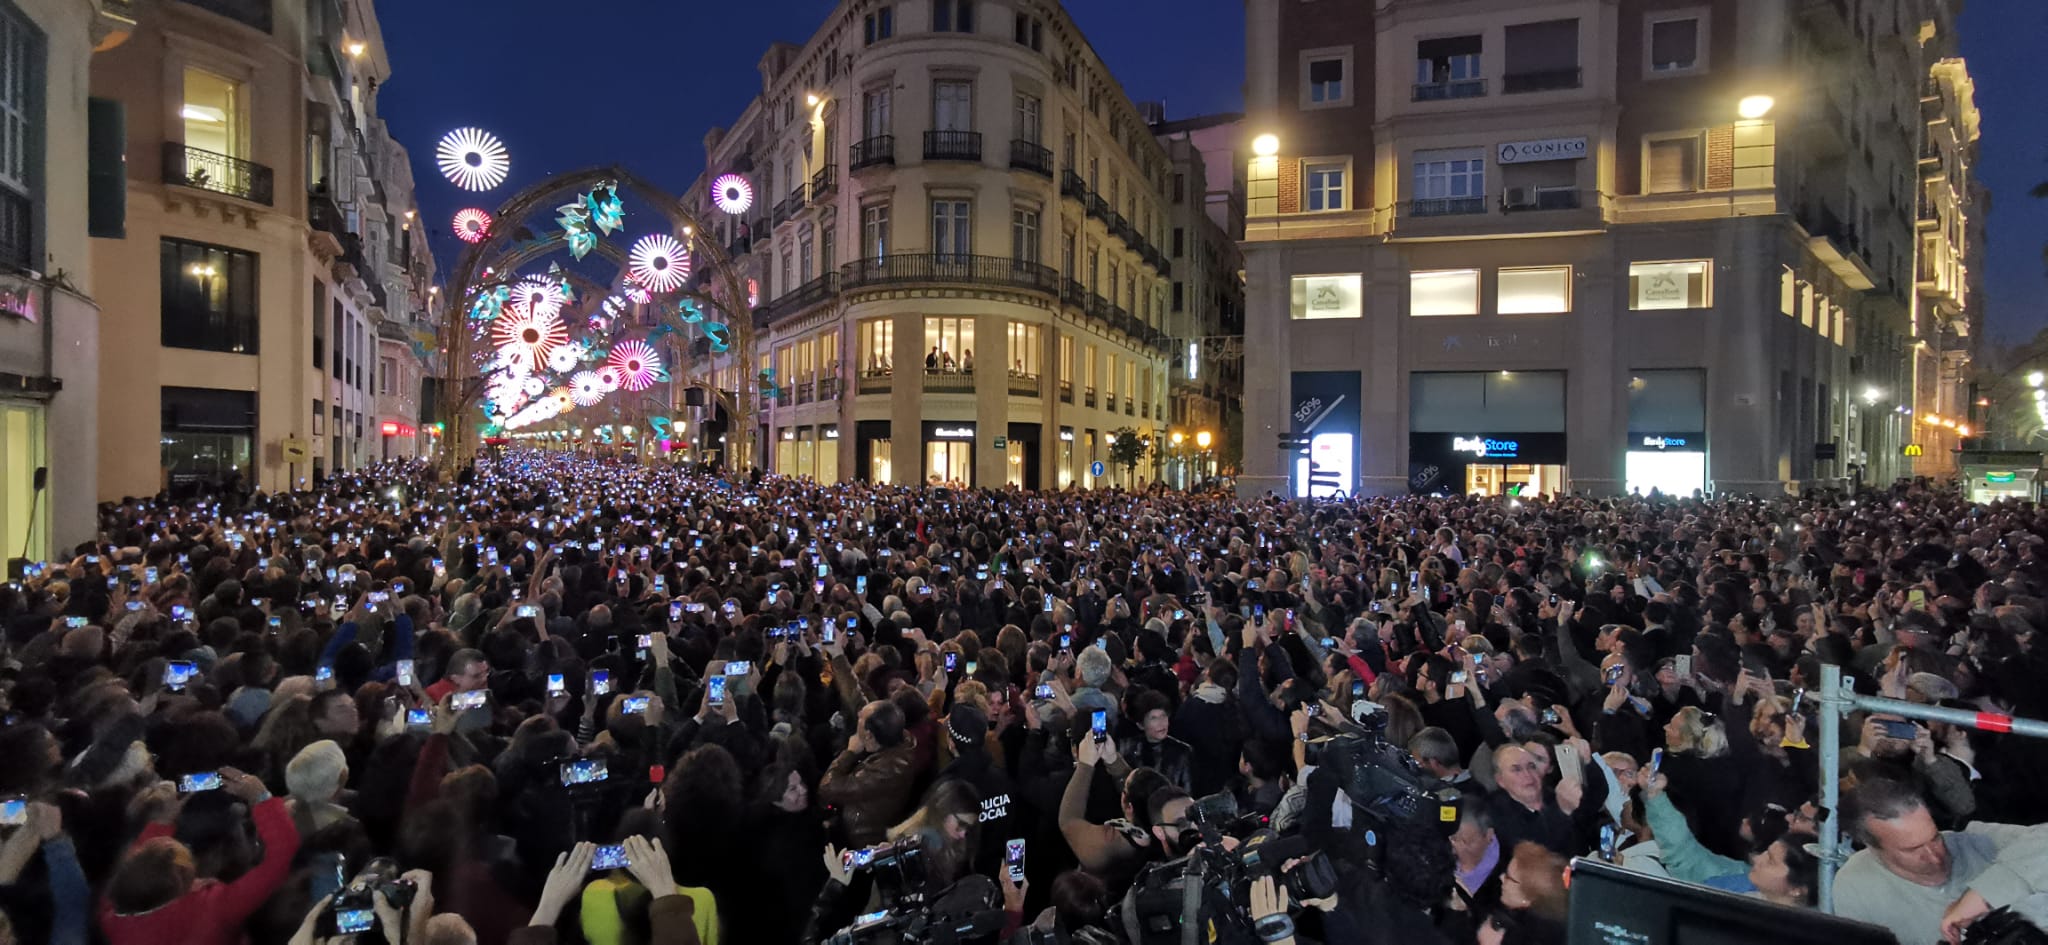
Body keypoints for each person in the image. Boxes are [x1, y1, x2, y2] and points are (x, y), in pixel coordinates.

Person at [100, 769, 301, 945]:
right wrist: (261, 798)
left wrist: (161, 822)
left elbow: (145, 864)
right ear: (183, 878)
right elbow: (282, 856)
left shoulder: (111, 913)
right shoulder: (212, 909)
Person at [1834, 778, 2038, 945]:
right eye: (1913, 849)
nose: (1934, 855)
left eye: (1934, 837)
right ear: (1872, 847)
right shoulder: (1856, 885)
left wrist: (1983, 895)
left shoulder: (1980, 842)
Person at [818, 698, 919, 848]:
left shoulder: (885, 770)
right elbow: (857, 697)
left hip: (861, 839)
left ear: (869, 735)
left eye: (860, 718)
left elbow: (827, 788)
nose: (858, 713)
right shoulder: (894, 735)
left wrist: (850, 752)